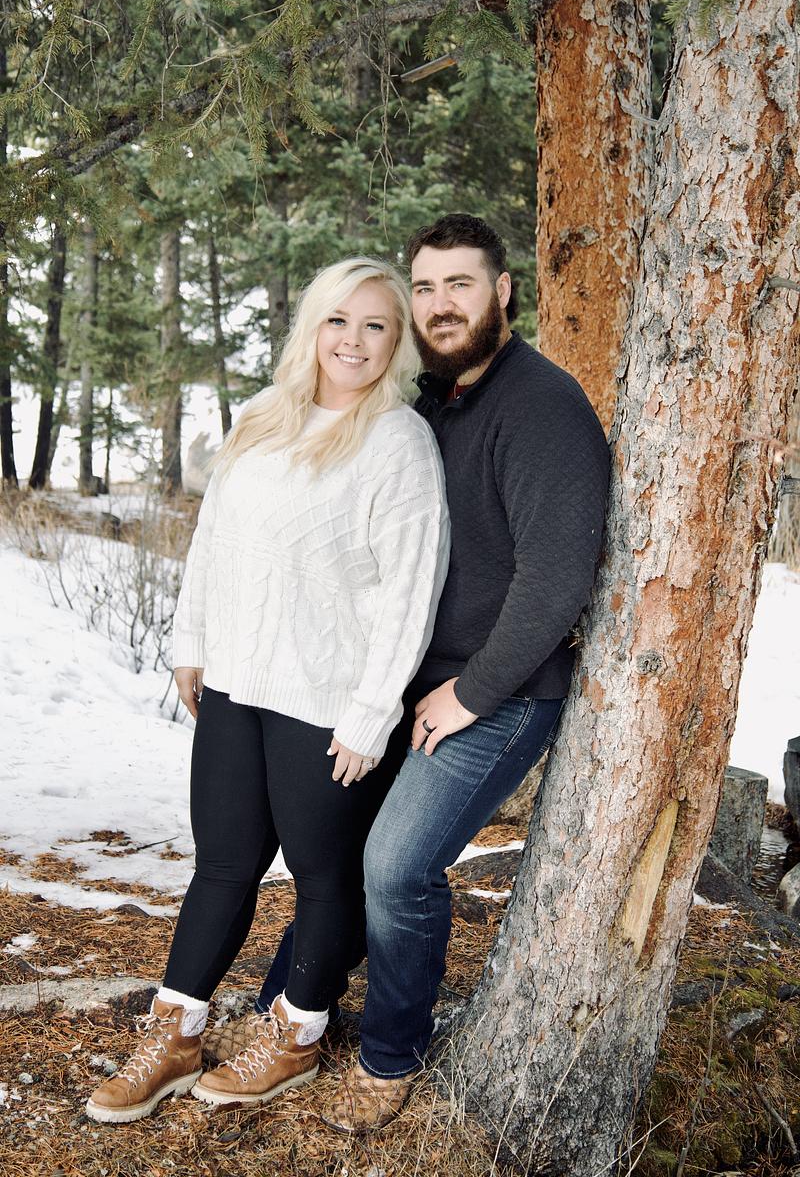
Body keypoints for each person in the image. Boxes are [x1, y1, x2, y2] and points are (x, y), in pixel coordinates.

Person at [244, 214, 611, 1132]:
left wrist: (471, 693)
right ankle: (293, 1004)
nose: (442, 305)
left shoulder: (541, 407)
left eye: (462, 285)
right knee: (334, 846)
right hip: (405, 681)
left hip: (501, 691)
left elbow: (557, 579)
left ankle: (391, 1053)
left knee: (398, 863)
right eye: (427, 288)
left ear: (503, 292)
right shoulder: (427, 404)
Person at [85, 257, 450, 1124]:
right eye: (338, 321)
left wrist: (372, 712)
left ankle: (296, 1037)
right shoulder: (261, 416)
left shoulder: (397, 441)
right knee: (221, 867)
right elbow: (212, 539)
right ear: (311, 327)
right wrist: (191, 642)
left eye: (375, 326)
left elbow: (413, 589)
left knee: (324, 878)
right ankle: (175, 1036)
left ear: (396, 343)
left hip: (328, 703)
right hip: (236, 685)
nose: (353, 341)